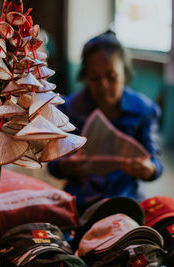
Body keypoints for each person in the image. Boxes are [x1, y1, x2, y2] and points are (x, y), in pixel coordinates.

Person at [48, 30, 163, 213]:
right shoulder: (68, 110)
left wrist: (147, 169)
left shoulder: (144, 111)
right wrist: (64, 166)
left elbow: (155, 163)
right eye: (95, 78)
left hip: (127, 200)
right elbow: (53, 163)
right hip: (80, 202)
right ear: (85, 78)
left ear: (124, 74)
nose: (103, 85)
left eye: (111, 77)